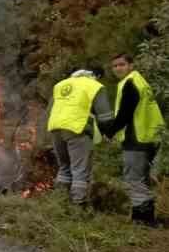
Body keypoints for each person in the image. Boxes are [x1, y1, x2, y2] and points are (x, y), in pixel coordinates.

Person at [107, 54, 164, 226]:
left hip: (136, 138)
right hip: (151, 137)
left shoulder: (129, 83)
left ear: (131, 65)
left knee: (134, 180)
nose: (118, 68)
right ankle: (148, 218)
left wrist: (109, 132)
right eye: (114, 66)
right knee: (143, 179)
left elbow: (125, 113)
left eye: (122, 64)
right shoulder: (141, 81)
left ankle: (143, 221)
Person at [45, 67, 115, 206]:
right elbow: (105, 116)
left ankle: (59, 202)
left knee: (64, 167)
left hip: (56, 128)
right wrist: (109, 133)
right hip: (77, 130)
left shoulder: (61, 85)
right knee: (80, 170)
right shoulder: (95, 85)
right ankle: (78, 206)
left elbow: (49, 110)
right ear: (96, 76)